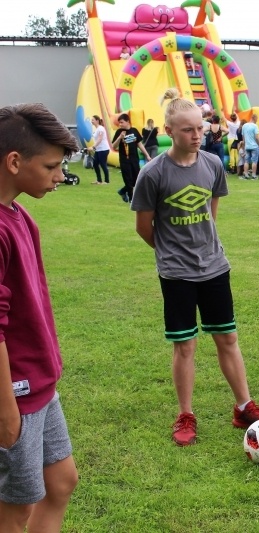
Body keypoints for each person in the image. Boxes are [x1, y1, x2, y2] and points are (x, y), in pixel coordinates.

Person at [131, 88, 259, 446]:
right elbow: (143, 226)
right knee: (185, 346)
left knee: (227, 338)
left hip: (214, 268)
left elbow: (212, 211)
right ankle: (186, 415)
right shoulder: (152, 173)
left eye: (200, 128)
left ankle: (243, 406)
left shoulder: (212, 164)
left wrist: (204, 245)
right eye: (187, 130)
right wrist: (169, 251)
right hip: (177, 274)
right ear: (169, 130)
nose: (196, 135)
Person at [0, 102, 80, 533]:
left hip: (40, 385)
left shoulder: (19, 215)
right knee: (16, 509)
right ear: (14, 161)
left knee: (61, 483)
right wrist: (6, 409)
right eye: (51, 166)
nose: (58, 176)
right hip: (14, 393)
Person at [111, 113, 152, 203]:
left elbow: (139, 144)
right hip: (124, 160)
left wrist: (147, 155)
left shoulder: (134, 131)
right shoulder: (119, 132)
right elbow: (114, 146)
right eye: (119, 123)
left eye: (122, 122)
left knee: (137, 179)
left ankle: (122, 191)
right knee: (128, 179)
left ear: (127, 121)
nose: (120, 124)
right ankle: (131, 199)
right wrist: (119, 138)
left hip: (134, 159)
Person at [90, 114, 110, 184]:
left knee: (103, 164)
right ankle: (99, 180)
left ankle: (107, 181)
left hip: (103, 149)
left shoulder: (101, 128)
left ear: (97, 121)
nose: (91, 121)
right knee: (95, 164)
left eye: (93, 120)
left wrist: (93, 147)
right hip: (98, 150)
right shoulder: (97, 129)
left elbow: (100, 139)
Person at [241, 113, 259, 180]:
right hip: (254, 146)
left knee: (246, 161)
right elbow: (257, 137)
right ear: (255, 119)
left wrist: (244, 146)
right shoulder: (255, 126)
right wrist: (258, 144)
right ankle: (254, 175)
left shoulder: (244, 126)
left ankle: (246, 174)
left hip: (247, 146)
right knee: (254, 161)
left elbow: (243, 138)